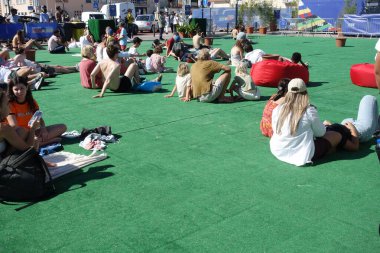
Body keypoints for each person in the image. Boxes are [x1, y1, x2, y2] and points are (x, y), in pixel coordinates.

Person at [270, 78, 341, 166]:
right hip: (301, 154)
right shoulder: (309, 110)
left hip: (278, 150)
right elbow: (321, 133)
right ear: (305, 93)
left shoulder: (278, 108)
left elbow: (275, 129)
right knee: (336, 135)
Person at [7, 76, 67, 146]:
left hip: (32, 132)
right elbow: (14, 126)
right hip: (20, 134)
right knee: (21, 131)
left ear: (26, 87)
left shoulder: (31, 101)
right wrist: (31, 135)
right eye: (16, 89)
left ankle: (37, 142)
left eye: (22, 88)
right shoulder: (10, 104)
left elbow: (39, 117)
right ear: (12, 90)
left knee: (62, 127)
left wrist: (43, 129)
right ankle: (44, 142)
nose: (19, 91)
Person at [91, 44, 162, 98]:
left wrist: (94, 86)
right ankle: (139, 83)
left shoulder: (101, 62)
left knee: (125, 76)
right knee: (134, 65)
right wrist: (101, 94)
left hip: (111, 87)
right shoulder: (116, 65)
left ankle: (139, 81)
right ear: (116, 54)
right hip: (121, 87)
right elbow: (108, 79)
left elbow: (92, 75)